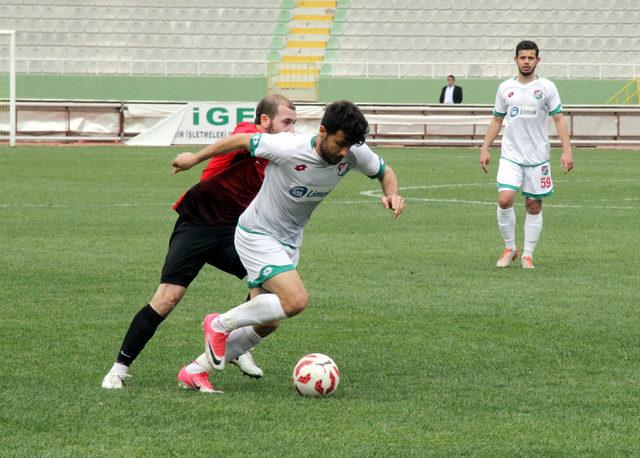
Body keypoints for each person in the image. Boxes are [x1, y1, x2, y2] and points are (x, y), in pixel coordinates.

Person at [172, 100, 405, 392]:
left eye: (350, 146)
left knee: (266, 322)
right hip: (257, 233)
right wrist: (194, 158)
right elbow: (241, 140)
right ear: (322, 131)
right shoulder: (288, 146)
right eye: (340, 143)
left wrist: (392, 195)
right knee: (295, 301)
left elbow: (385, 171)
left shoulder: (353, 152)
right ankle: (218, 324)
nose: (345, 152)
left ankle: (195, 371)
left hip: (289, 242)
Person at [101, 94, 297, 391]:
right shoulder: (250, 132)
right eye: (286, 122)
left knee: (268, 285)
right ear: (266, 121)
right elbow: (239, 141)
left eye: (294, 123)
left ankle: (236, 346)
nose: (290, 129)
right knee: (168, 298)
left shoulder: (279, 151)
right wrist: (194, 158)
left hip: (235, 231)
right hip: (197, 224)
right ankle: (118, 369)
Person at [479, 40, 574, 269]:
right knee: (505, 199)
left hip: (537, 157)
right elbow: (497, 119)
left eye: (531, 58)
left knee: (533, 206)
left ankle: (528, 255)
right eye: (523, 58)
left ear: (537, 60)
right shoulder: (505, 88)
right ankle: (510, 247)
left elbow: (559, 119)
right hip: (511, 155)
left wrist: (567, 150)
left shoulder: (547, 88)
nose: (526, 62)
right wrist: (485, 147)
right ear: (516, 60)